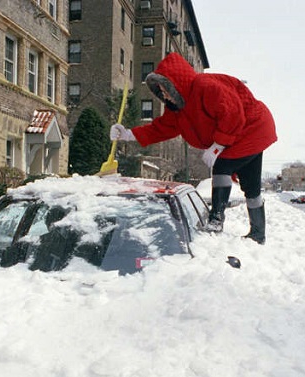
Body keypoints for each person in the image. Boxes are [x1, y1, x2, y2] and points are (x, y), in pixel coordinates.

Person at [110, 52, 277, 244]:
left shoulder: (205, 87)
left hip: (252, 127)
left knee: (222, 167)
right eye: (160, 92)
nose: (163, 96)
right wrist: (128, 134)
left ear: (174, 85)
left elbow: (232, 114)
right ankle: (258, 234)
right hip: (248, 133)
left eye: (164, 90)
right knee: (251, 187)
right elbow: (160, 128)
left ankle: (216, 220)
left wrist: (217, 146)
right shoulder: (178, 110)